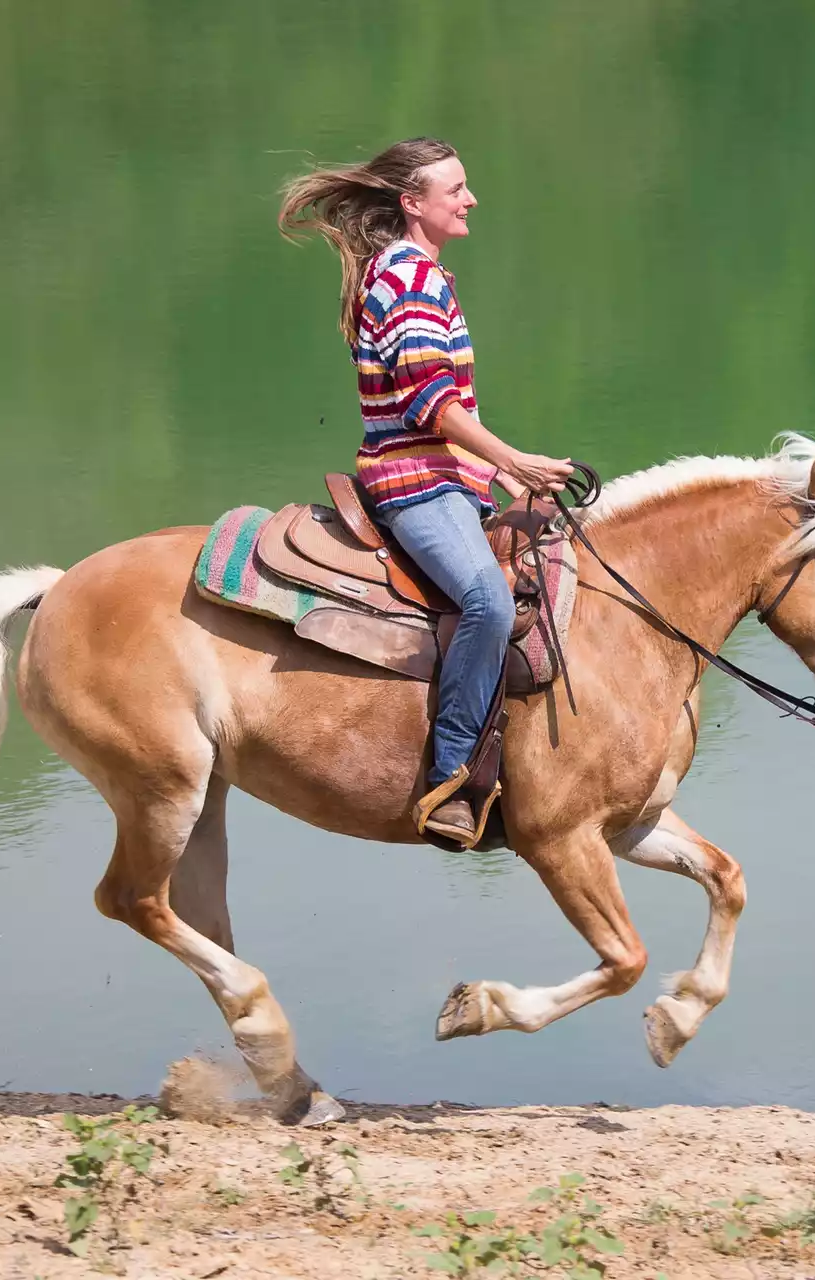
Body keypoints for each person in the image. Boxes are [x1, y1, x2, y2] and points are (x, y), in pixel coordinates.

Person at [279, 138, 573, 845]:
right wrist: (516, 460)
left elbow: (437, 409)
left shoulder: (413, 271)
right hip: (414, 486)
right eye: (456, 190)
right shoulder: (410, 279)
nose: (470, 199)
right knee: (488, 599)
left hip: (445, 475)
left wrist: (499, 474)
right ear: (413, 204)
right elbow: (430, 405)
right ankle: (451, 774)